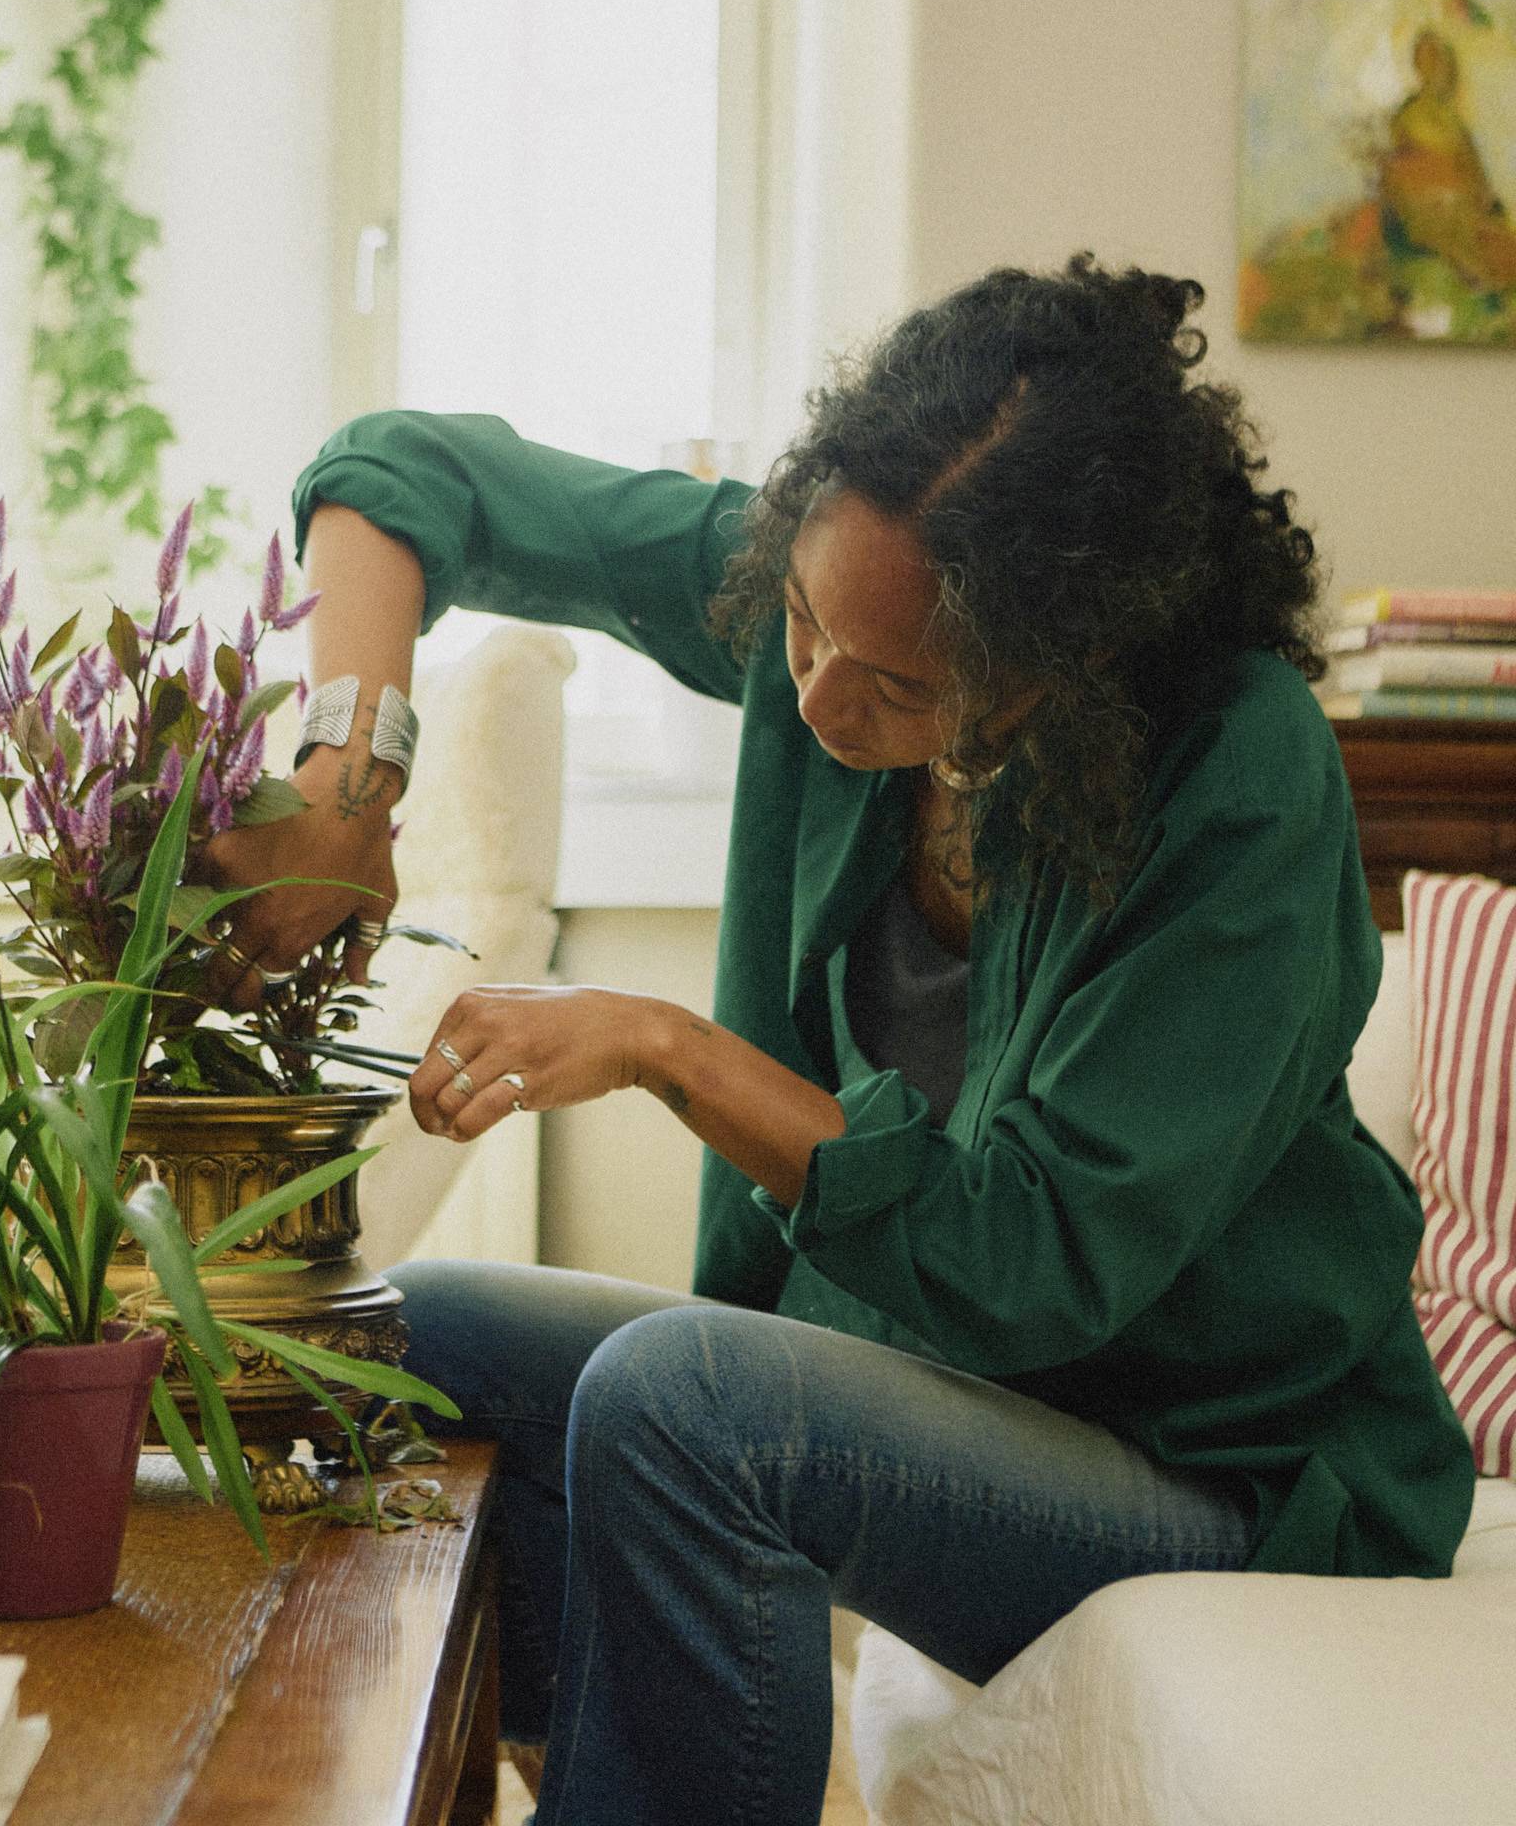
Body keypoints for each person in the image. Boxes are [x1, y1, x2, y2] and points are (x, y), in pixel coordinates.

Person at [202, 255, 1474, 1826]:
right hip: (924, 1386)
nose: (813, 698)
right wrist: (347, 781)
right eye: (799, 622)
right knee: (392, 1332)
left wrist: (669, 1046)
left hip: (1215, 1471)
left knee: (687, 1403)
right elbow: (402, 473)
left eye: (899, 685)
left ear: (1064, 665)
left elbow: (1030, 1267)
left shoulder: (1236, 772)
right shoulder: (841, 594)